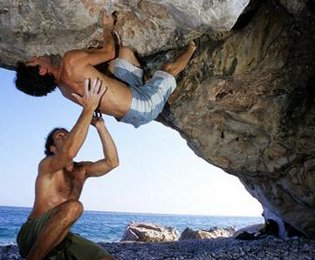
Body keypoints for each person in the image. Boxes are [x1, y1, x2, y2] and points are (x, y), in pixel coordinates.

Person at [15, 9, 197, 128]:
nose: (35, 57)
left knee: (125, 53)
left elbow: (96, 99)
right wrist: (107, 28)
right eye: (32, 61)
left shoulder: (65, 90)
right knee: (169, 68)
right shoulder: (69, 61)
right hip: (143, 106)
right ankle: (194, 46)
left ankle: (148, 85)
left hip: (126, 112)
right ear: (42, 70)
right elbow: (109, 52)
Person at [16, 78, 119, 260]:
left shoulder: (82, 170)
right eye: (60, 136)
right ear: (52, 149)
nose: (66, 137)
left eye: (68, 134)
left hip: (61, 237)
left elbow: (112, 162)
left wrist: (101, 127)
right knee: (74, 207)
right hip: (32, 235)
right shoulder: (47, 165)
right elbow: (69, 153)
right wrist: (88, 108)